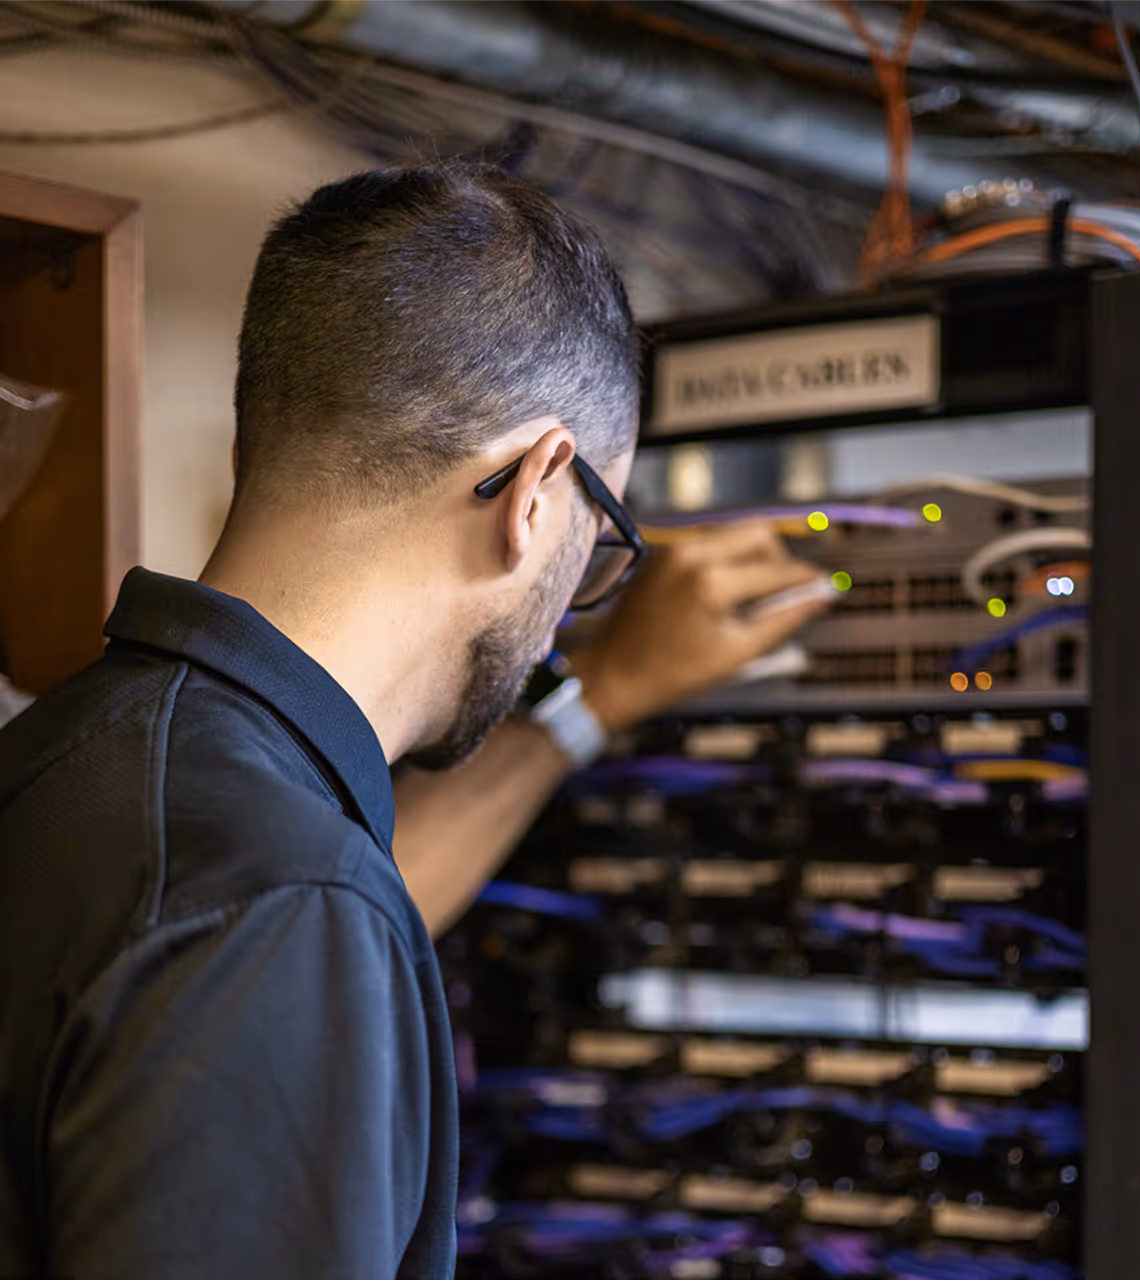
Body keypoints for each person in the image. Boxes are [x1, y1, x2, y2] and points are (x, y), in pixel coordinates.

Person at [0, 162, 828, 1280]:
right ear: (537, 491)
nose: (577, 591)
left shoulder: (71, 756)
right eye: (604, 537)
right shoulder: (285, 901)